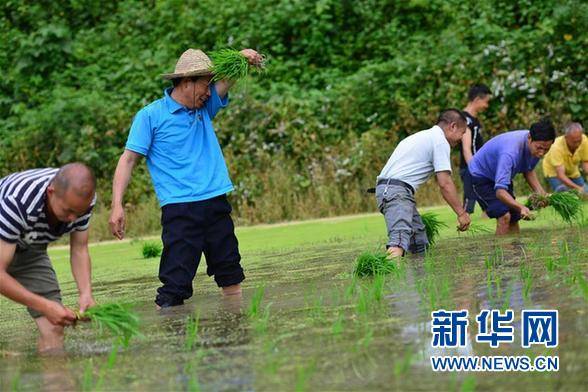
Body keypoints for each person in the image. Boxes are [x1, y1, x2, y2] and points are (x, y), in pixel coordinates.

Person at [109, 48, 263, 309]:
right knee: (174, 285)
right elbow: (128, 160)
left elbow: (229, 79)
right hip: (180, 210)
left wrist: (243, 57)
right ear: (186, 81)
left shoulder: (204, 107)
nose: (209, 92)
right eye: (205, 85)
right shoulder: (150, 116)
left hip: (215, 203)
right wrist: (117, 205)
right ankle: (173, 342)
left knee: (231, 274)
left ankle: (237, 335)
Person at [0, 164, 96, 353]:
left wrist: (85, 293)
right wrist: (45, 305)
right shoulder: (18, 201)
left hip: (29, 248)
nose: (72, 219)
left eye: (78, 213)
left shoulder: (83, 202)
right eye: (67, 211)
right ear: (51, 192)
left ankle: (56, 380)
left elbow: (79, 248)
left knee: (54, 326)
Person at [375, 109, 471, 258]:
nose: (462, 138)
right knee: (399, 240)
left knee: (418, 241)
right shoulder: (440, 141)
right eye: (462, 133)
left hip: (391, 190)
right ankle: (389, 280)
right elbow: (445, 183)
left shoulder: (424, 136)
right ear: (452, 126)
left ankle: (418, 278)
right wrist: (462, 213)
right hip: (396, 191)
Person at [468, 118, 556, 235]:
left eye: (546, 149)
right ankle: (500, 252)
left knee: (515, 216)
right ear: (529, 137)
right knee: (504, 216)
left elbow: (528, 170)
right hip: (480, 176)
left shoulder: (536, 147)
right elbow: (500, 192)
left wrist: (541, 194)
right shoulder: (510, 152)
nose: (541, 153)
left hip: (500, 175)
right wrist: (521, 207)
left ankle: (516, 251)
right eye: (539, 148)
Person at [460, 84, 492, 213]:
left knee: (483, 192)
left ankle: (490, 213)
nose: (486, 105)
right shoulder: (465, 119)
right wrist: (473, 167)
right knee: (470, 197)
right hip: (470, 165)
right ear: (477, 99)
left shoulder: (474, 119)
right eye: (486, 102)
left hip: (477, 164)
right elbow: (466, 148)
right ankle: (462, 219)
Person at [542, 122, 588, 193]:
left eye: (579, 141)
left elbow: (585, 162)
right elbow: (561, 175)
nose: (577, 144)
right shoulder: (556, 147)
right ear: (566, 137)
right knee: (563, 191)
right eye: (574, 142)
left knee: (586, 191)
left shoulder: (584, 140)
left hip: (572, 171)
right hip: (554, 173)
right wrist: (578, 188)